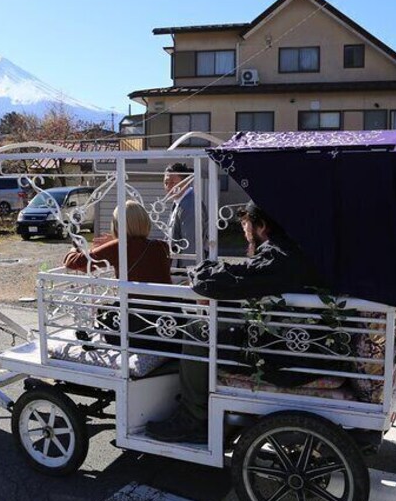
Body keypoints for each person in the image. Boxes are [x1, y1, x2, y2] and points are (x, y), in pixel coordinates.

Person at [145, 201, 326, 443]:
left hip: (282, 354)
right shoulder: (296, 251)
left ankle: (193, 418)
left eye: (246, 224)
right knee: (214, 323)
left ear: (261, 226)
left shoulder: (277, 255)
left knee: (197, 329)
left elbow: (223, 282)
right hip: (300, 342)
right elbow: (245, 280)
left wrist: (197, 274)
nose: (244, 230)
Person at [64, 200, 178, 352]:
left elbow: (73, 263)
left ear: (118, 225)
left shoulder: (120, 247)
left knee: (103, 312)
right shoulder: (161, 246)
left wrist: (74, 248)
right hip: (166, 326)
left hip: (135, 330)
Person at [164, 163, 207, 270]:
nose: (168, 187)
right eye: (165, 182)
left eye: (173, 183)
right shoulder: (179, 200)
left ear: (186, 182)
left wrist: (187, 272)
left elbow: (190, 244)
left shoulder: (190, 204)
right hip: (178, 264)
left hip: (186, 268)